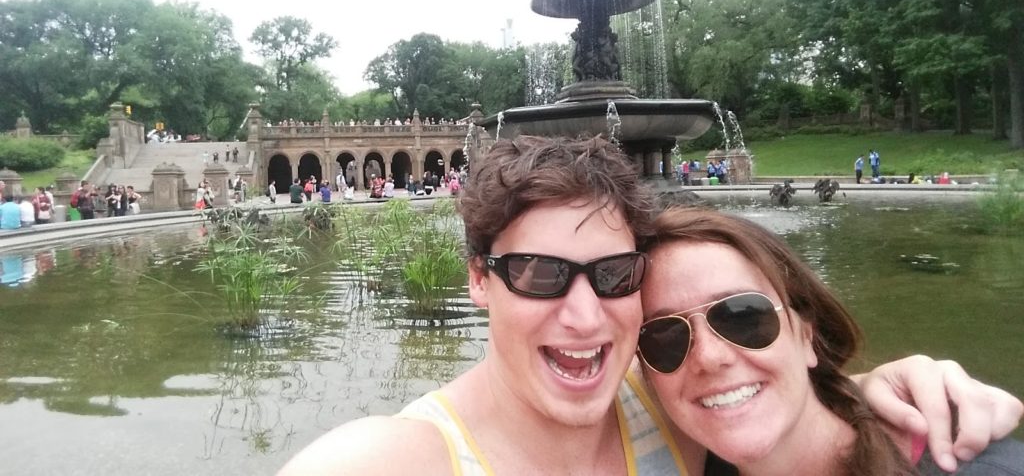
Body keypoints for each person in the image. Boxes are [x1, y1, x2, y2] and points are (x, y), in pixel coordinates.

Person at [278, 135, 1021, 476]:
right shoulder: (402, 458)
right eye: (539, 273)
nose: (583, 314)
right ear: (479, 280)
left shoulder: (662, 404)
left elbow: (754, 394)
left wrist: (874, 395)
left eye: (612, 275)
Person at [637, 206, 1024, 475]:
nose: (709, 357)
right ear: (646, 375)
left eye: (743, 316)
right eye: (665, 338)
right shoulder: (683, 461)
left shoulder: (990, 469)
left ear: (806, 335)